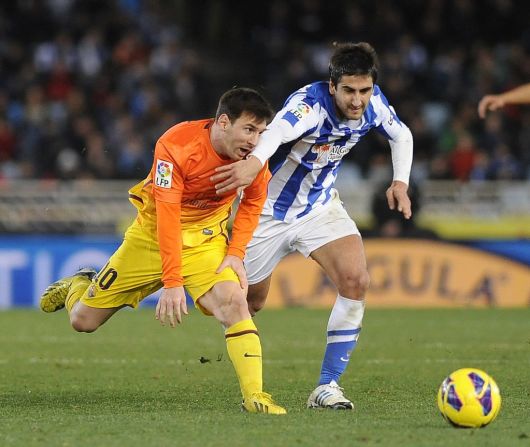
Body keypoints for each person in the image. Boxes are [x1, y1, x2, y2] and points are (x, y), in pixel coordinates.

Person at [39, 87, 286, 415]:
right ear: (224, 122)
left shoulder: (252, 160)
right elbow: (168, 214)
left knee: (234, 304)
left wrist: (235, 252)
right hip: (151, 237)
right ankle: (79, 285)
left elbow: (254, 201)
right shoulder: (177, 145)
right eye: (249, 129)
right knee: (82, 321)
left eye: (261, 132)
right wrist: (172, 282)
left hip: (205, 241)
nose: (255, 141)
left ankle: (255, 396)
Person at [211, 42, 413, 410]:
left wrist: (400, 181)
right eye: (349, 90)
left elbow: (402, 135)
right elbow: (273, 135)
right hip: (265, 213)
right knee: (246, 303)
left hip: (319, 209)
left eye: (364, 90)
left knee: (356, 280)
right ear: (332, 85)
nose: (357, 100)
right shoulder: (309, 105)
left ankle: (327, 387)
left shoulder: (375, 105)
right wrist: (253, 164)